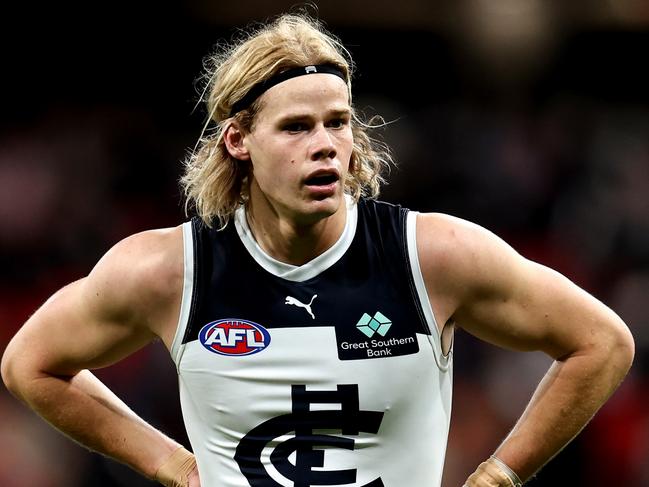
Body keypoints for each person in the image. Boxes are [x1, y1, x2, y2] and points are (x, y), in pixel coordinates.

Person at [0, 12, 635, 487]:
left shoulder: (430, 256)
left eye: (338, 122)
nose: (326, 144)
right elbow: (30, 364)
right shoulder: (170, 270)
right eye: (298, 127)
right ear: (238, 141)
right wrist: (166, 462)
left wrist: (500, 475)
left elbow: (603, 342)